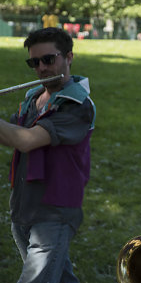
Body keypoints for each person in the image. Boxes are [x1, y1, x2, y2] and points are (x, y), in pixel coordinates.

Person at [0, 27, 95, 283]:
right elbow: (9, 135)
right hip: (24, 205)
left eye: (49, 59)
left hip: (55, 212)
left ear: (69, 57)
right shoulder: (33, 98)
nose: (41, 68)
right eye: (34, 62)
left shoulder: (77, 105)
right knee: (60, 278)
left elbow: (27, 140)